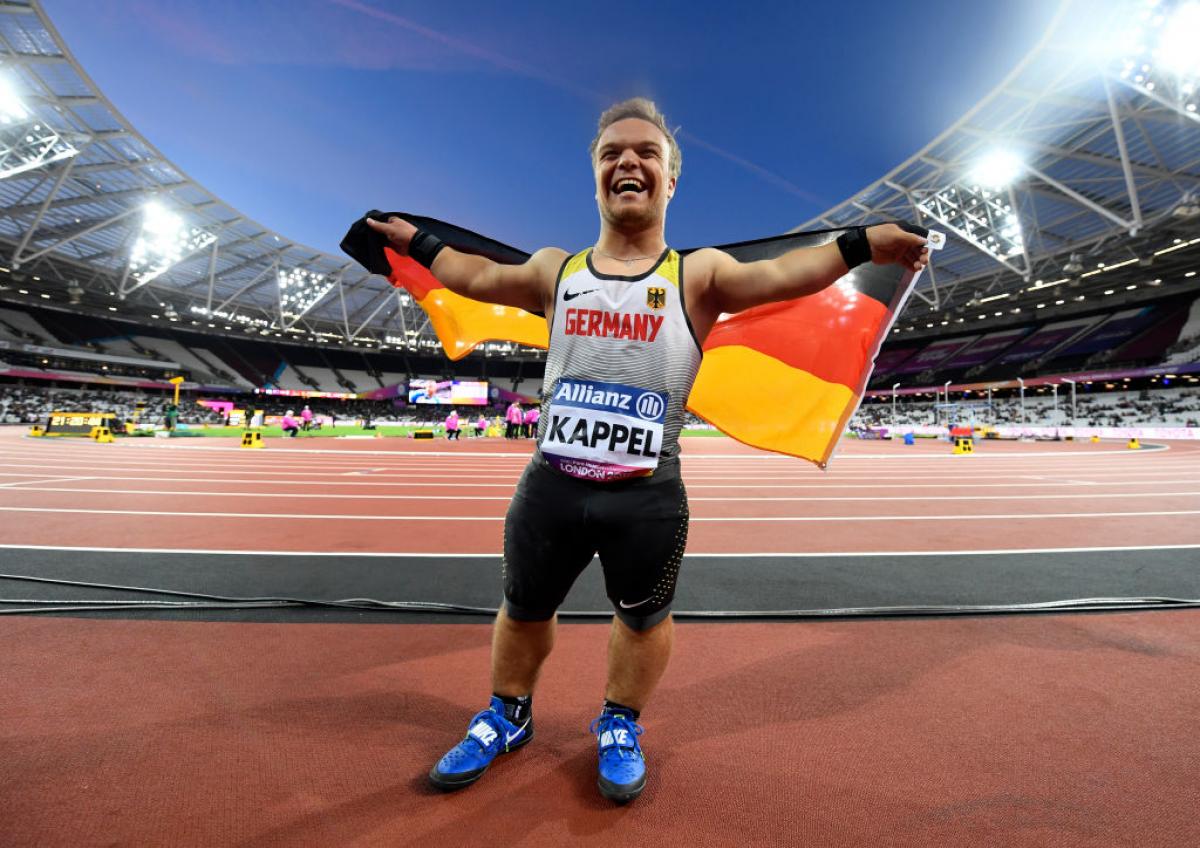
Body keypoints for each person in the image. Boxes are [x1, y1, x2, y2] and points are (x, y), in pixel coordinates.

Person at [367, 98, 926, 803]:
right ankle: (508, 716)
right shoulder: (554, 271)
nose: (628, 161)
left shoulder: (698, 275)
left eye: (646, 154)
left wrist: (862, 244)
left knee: (643, 618)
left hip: (646, 496)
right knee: (522, 607)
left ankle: (620, 722)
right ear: (595, 175)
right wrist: (411, 241)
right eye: (611, 153)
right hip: (551, 487)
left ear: (668, 181)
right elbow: (471, 277)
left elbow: (786, 275)